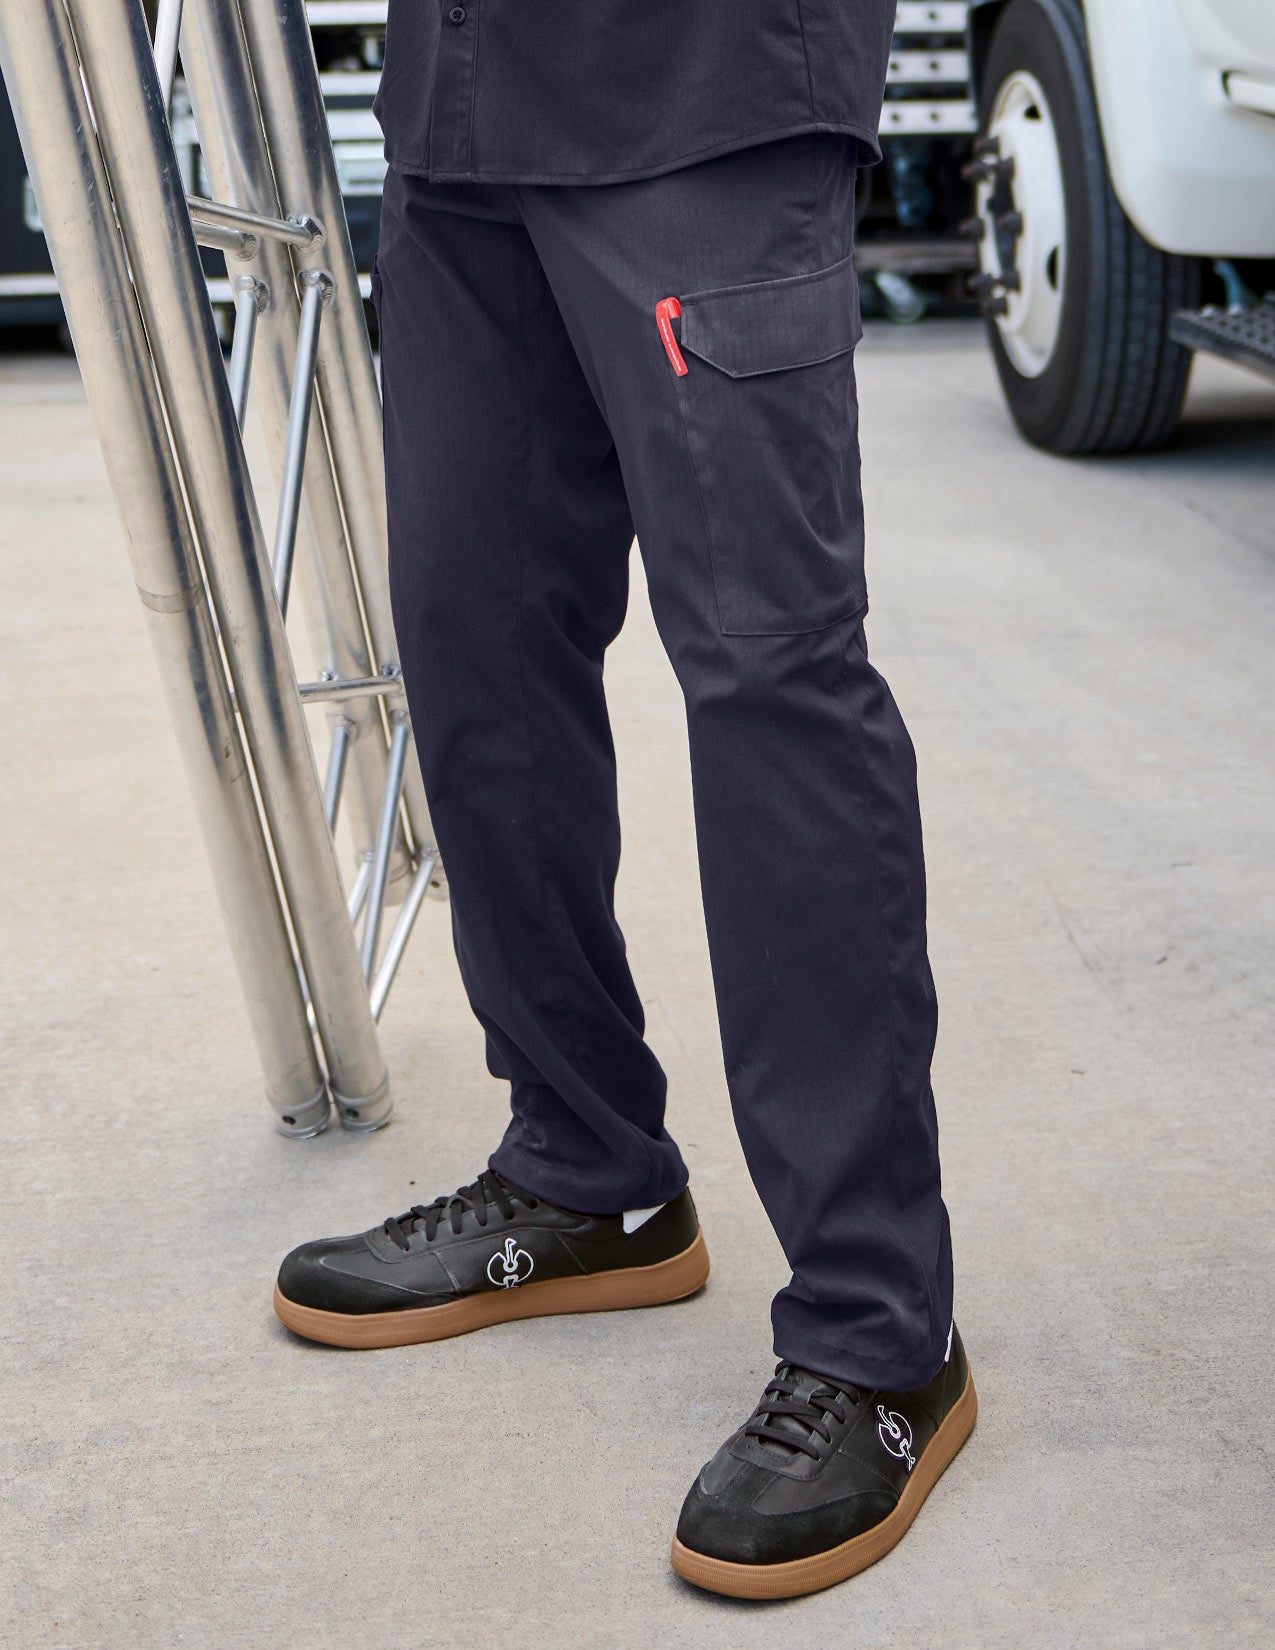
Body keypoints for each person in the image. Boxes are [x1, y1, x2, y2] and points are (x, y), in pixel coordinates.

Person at [274, 0, 975, 1600]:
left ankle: (883, 1332)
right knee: (475, 633)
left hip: (699, 83)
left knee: (766, 671)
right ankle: (588, 1170)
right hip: (465, 98)